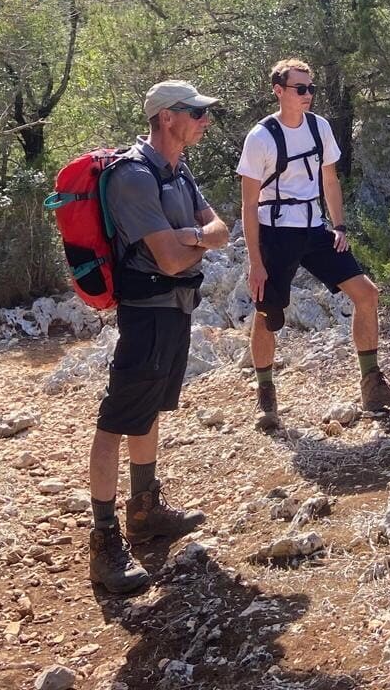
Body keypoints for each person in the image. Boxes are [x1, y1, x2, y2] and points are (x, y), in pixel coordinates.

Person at [86, 80, 230, 595]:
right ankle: (103, 541)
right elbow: (169, 258)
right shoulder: (133, 176)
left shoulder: (176, 170)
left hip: (175, 306)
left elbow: (221, 229)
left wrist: (189, 238)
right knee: (118, 417)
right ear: (167, 117)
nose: (204, 120)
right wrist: (194, 241)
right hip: (146, 310)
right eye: (196, 112)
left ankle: (144, 510)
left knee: (147, 410)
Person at [237, 58, 390, 432]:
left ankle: (372, 386)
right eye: (300, 88)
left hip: (314, 229)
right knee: (269, 311)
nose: (308, 95)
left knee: (366, 294)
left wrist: (339, 226)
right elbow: (249, 204)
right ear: (279, 91)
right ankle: (265, 396)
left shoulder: (320, 128)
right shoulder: (261, 137)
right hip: (275, 233)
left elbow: (329, 179)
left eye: (311, 88)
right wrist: (256, 262)